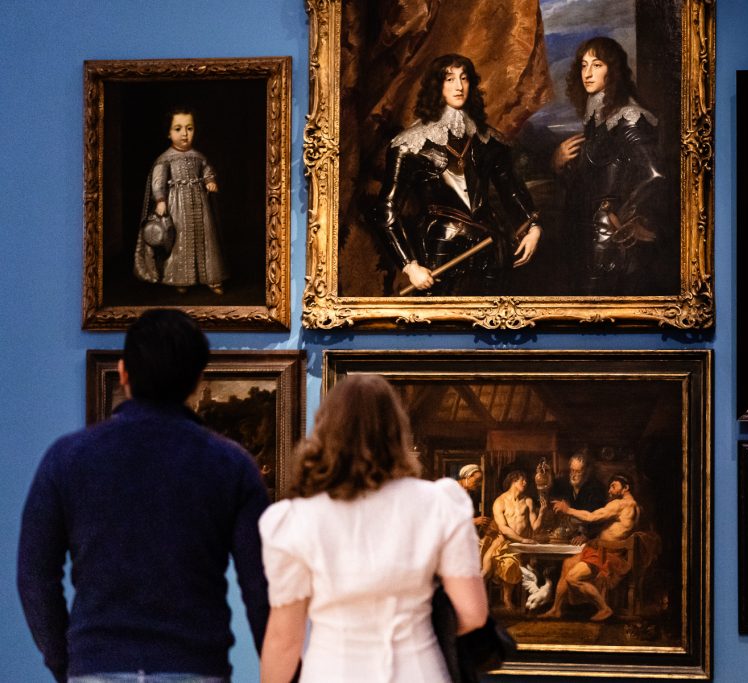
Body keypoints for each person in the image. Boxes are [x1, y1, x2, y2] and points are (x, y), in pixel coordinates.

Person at [17, 309, 269, 682]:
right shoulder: (231, 465)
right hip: (194, 664)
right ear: (197, 381)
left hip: (97, 664)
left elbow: (34, 577)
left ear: (123, 373)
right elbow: (261, 585)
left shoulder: (67, 458)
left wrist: (65, 662)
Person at [258, 374, 487, 683]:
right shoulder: (440, 504)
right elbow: (473, 613)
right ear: (397, 433)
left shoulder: (295, 520)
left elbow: (284, 640)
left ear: (325, 429)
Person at [374, 53, 542, 295]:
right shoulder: (409, 144)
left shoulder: (489, 140)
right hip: (440, 252)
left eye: (464, 79)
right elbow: (387, 209)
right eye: (449, 79)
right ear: (436, 85)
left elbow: (511, 189)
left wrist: (534, 226)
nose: (458, 86)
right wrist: (410, 266)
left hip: (492, 252)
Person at [552, 36, 666, 296]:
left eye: (597, 64)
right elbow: (589, 183)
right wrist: (558, 163)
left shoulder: (628, 117)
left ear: (612, 70)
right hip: (584, 234)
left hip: (608, 239)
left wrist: (630, 218)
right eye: (583, 65)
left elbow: (655, 175)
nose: (588, 73)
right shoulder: (598, 117)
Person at [134, 107, 229, 294]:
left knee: (206, 239)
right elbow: (157, 182)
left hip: (200, 206)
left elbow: (207, 170)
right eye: (178, 129)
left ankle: (212, 278)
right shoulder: (165, 159)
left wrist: (210, 181)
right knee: (180, 240)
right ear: (168, 133)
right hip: (177, 206)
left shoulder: (199, 157)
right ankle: (180, 278)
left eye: (189, 128)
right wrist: (160, 200)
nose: (184, 134)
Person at [541, 474, 639, 622]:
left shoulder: (621, 504)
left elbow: (591, 517)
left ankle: (604, 608)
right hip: (600, 548)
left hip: (607, 553)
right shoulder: (635, 506)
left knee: (572, 578)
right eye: (610, 486)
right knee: (567, 564)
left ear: (626, 488)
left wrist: (568, 510)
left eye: (614, 486)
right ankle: (556, 609)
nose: (610, 490)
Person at [481, 470, 547, 609]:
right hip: (501, 541)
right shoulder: (500, 501)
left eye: (525, 480)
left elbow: (535, 527)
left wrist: (541, 513)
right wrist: (523, 540)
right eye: (522, 480)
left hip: (518, 545)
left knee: (511, 563)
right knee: (486, 567)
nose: (525, 483)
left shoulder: (528, 501)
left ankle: (506, 598)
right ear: (513, 481)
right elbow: (503, 528)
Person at [548, 452, 606, 543]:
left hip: (593, 538)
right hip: (573, 534)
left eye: (578, 471)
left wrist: (586, 536)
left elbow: (597, 518)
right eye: (572, 470)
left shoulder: (596, 489)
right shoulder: (567, 485)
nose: (573, 475)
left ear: (586, 472)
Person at [457, 462, 490, 532]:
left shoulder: (471, 493)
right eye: (477, 480)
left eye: (480, 481)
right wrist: (474, 521)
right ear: (468, 476)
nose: (479, 484)